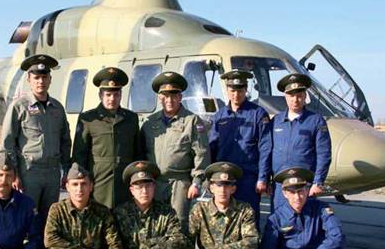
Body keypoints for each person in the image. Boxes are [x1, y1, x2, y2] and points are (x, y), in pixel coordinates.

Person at [0, 54, 72, 224]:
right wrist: (14, 174)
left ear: (50, 80)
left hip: (52, 173)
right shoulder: (19, 106)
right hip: (29, 172)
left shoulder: (57, 108)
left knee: (49, 220)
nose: (41, 81)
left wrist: (66, 169)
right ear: (29, 80)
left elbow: (65, 140)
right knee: (26, 218)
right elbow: (7, 143)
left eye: (44, 77)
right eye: (36, 77)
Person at [141, 71, 208, 234]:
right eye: (165, 96)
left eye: (173, 95)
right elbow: (141, 152)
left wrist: (196, 182)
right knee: (154, 224)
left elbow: (201, 153)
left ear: (180, 97)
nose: (169, 100)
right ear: (159, 97)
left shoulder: (192, 121)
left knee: (178, 224)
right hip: (154, 183)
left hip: (180, 183)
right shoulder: (149, 123)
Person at [208, 69, 271, 230]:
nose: (236, 94)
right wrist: (209, 178)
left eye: (240, 90)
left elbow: (265, 148)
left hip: (248, 177)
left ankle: (251, 245)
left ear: (246, 90)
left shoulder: (258, 114)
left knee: (250, 219)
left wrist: (262, 178)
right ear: (227, 90)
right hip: (224, 178)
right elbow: (211, 147)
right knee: (224, 220)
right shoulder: (219, 116)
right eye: (233, 90)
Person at [72, 67, 142, 209]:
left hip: (124, 182)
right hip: (98, 182)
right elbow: (80, 154)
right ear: (100, 95)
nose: (112, 99)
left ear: (121, 95)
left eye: (116, 94)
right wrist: (83, 183)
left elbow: (138, 152)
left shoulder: (131, 118)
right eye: (108, 94)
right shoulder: (88, 119)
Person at [270, 73, 331, 210]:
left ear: (305, 96)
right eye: (291, 96)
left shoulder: (316, 121)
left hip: (304, 185)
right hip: (280, 185)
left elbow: (324, 154)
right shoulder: (276, 121)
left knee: (305, 219)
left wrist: (318, 182)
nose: (295, 100)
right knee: (279, 219)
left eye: (299, 95)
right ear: (285, 97)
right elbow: (267, 151)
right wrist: (265, 179)